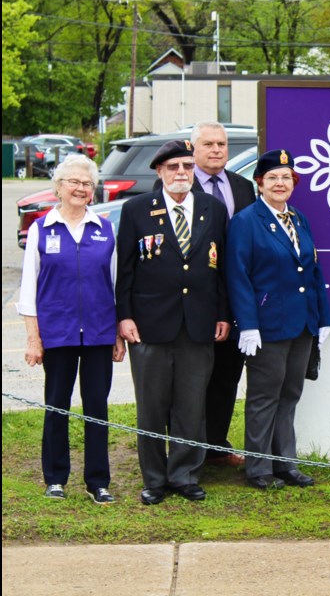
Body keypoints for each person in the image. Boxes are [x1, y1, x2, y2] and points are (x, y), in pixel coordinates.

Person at [115, 140, 230, 505]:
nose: (181, 173)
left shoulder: (212, 209)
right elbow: (126, 269)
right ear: (159, 172)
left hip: (198, 324)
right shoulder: (136, 210)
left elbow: (222, 268)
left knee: (191, 405)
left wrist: (223, 313)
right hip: (149, 325)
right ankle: (154, 479)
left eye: (186, 166)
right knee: (152, 405)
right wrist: (124, 316)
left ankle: (184, 475)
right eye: (173, 167)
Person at [18, 155, 126, 504]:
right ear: (59, 187)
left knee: (97, 406)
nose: (80, 189)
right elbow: (28, 290)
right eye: (74, 182)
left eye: (86, 183)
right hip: (57, 333)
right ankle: (55, 478)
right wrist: (34, 338)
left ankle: (98, 481)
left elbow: (115, 284)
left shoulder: (104, 228)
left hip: (97, 333)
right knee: (57, 404)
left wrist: (117, 334)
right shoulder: (41, 228)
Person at [225, 149, 330, 490]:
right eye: (272, 177)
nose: (280, 183)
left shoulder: (299, 219)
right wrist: (248, 323)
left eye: (286, 178)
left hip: (301, 324)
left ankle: (286, 464)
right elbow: (237, 276)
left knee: (290, 394)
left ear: (294, 183)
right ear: (260, 183)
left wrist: (323, 317)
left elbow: (312, 270)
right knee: (263, 398)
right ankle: (258, 468)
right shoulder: (246, 222)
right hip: (267, 326)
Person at [191, 121, 256, 467]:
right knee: (193, 379)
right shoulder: (180, 187)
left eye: (221, 144)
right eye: (208, 144)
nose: (216, 150)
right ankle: (190, 450)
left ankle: (216, 444)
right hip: (195, 300)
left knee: (227, 376)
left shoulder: (243, 187)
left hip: (235, 299)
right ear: (193, 148)